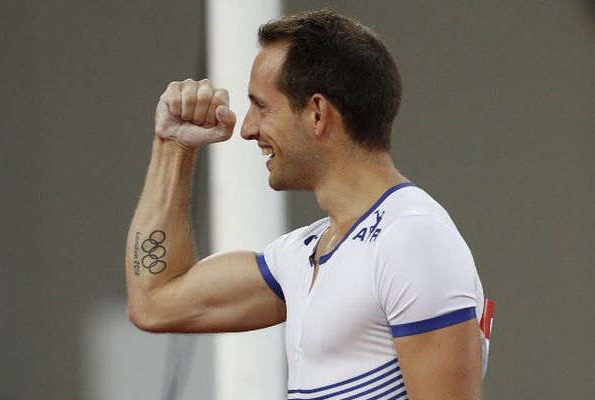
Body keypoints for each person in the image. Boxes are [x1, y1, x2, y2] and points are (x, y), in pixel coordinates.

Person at [126, 9, 490, 400]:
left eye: (261, 106)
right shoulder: (302, 255)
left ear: (317, 113)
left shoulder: (412, 239)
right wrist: (173, 145)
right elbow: (155, 302)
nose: (246, 129)